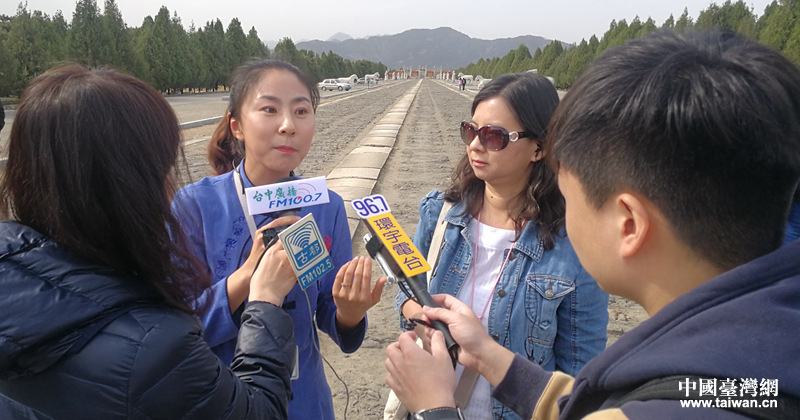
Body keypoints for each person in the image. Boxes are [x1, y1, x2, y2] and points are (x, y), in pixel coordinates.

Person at [385, 30, 800, 419]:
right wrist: (489, 356)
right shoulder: (749, 366)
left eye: (571, 194)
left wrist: (435, 406)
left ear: (628, 223)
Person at [0, 65, 302, 419]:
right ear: (129, 187)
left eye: (301, 110)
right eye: (164, 167)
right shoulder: (155, 347)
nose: (288, 125)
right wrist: (265, 300)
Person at [172, 58, 385, 420]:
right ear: (237, 126)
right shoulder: (194, 205)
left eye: (301, 111)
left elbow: (328, 309)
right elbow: (176, 328)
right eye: (269, 109)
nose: (288, 126)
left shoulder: (326, 206)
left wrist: (349, 313)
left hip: (305, 402)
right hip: (222, 400)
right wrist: (248, 276)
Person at [396, 72, 608, 420]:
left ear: (539, 148)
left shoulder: (574, 246)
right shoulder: (440, 215)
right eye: (471, 131)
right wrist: (421, 318)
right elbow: (406, 289)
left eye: (493, 136)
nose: (476, 145)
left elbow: (581, 375)